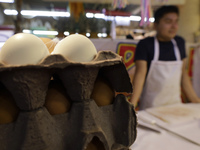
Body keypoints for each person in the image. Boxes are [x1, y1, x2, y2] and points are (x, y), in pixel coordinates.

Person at [130, 5, 200, 110]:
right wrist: (131, 106)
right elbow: (140, 75)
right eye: (168, 21)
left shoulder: (179, 43)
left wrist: (196, 101)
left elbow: (183, 75)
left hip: (175, 105)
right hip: (151, 108)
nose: (174, 26)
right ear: (155, 25)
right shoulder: (145, 45)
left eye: (176, 21)